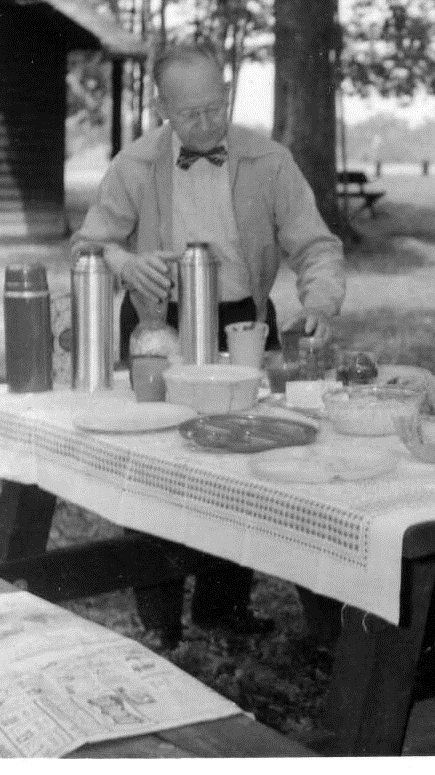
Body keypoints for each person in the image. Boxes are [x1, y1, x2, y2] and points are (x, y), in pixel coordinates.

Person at [72, 43, 346, 643]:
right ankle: (160, 622)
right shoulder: (134, 163)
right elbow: (89, 245)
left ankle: (222, 608)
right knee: (153, 460)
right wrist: (124, 261)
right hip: (157, 325)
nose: (204, 124)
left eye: (214, 108)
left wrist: (319, 304)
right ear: (161, 107)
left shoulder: (270, 161)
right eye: (188, 114)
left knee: (243, 459)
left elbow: (316, 245)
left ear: (227, 94)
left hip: (243, 320)